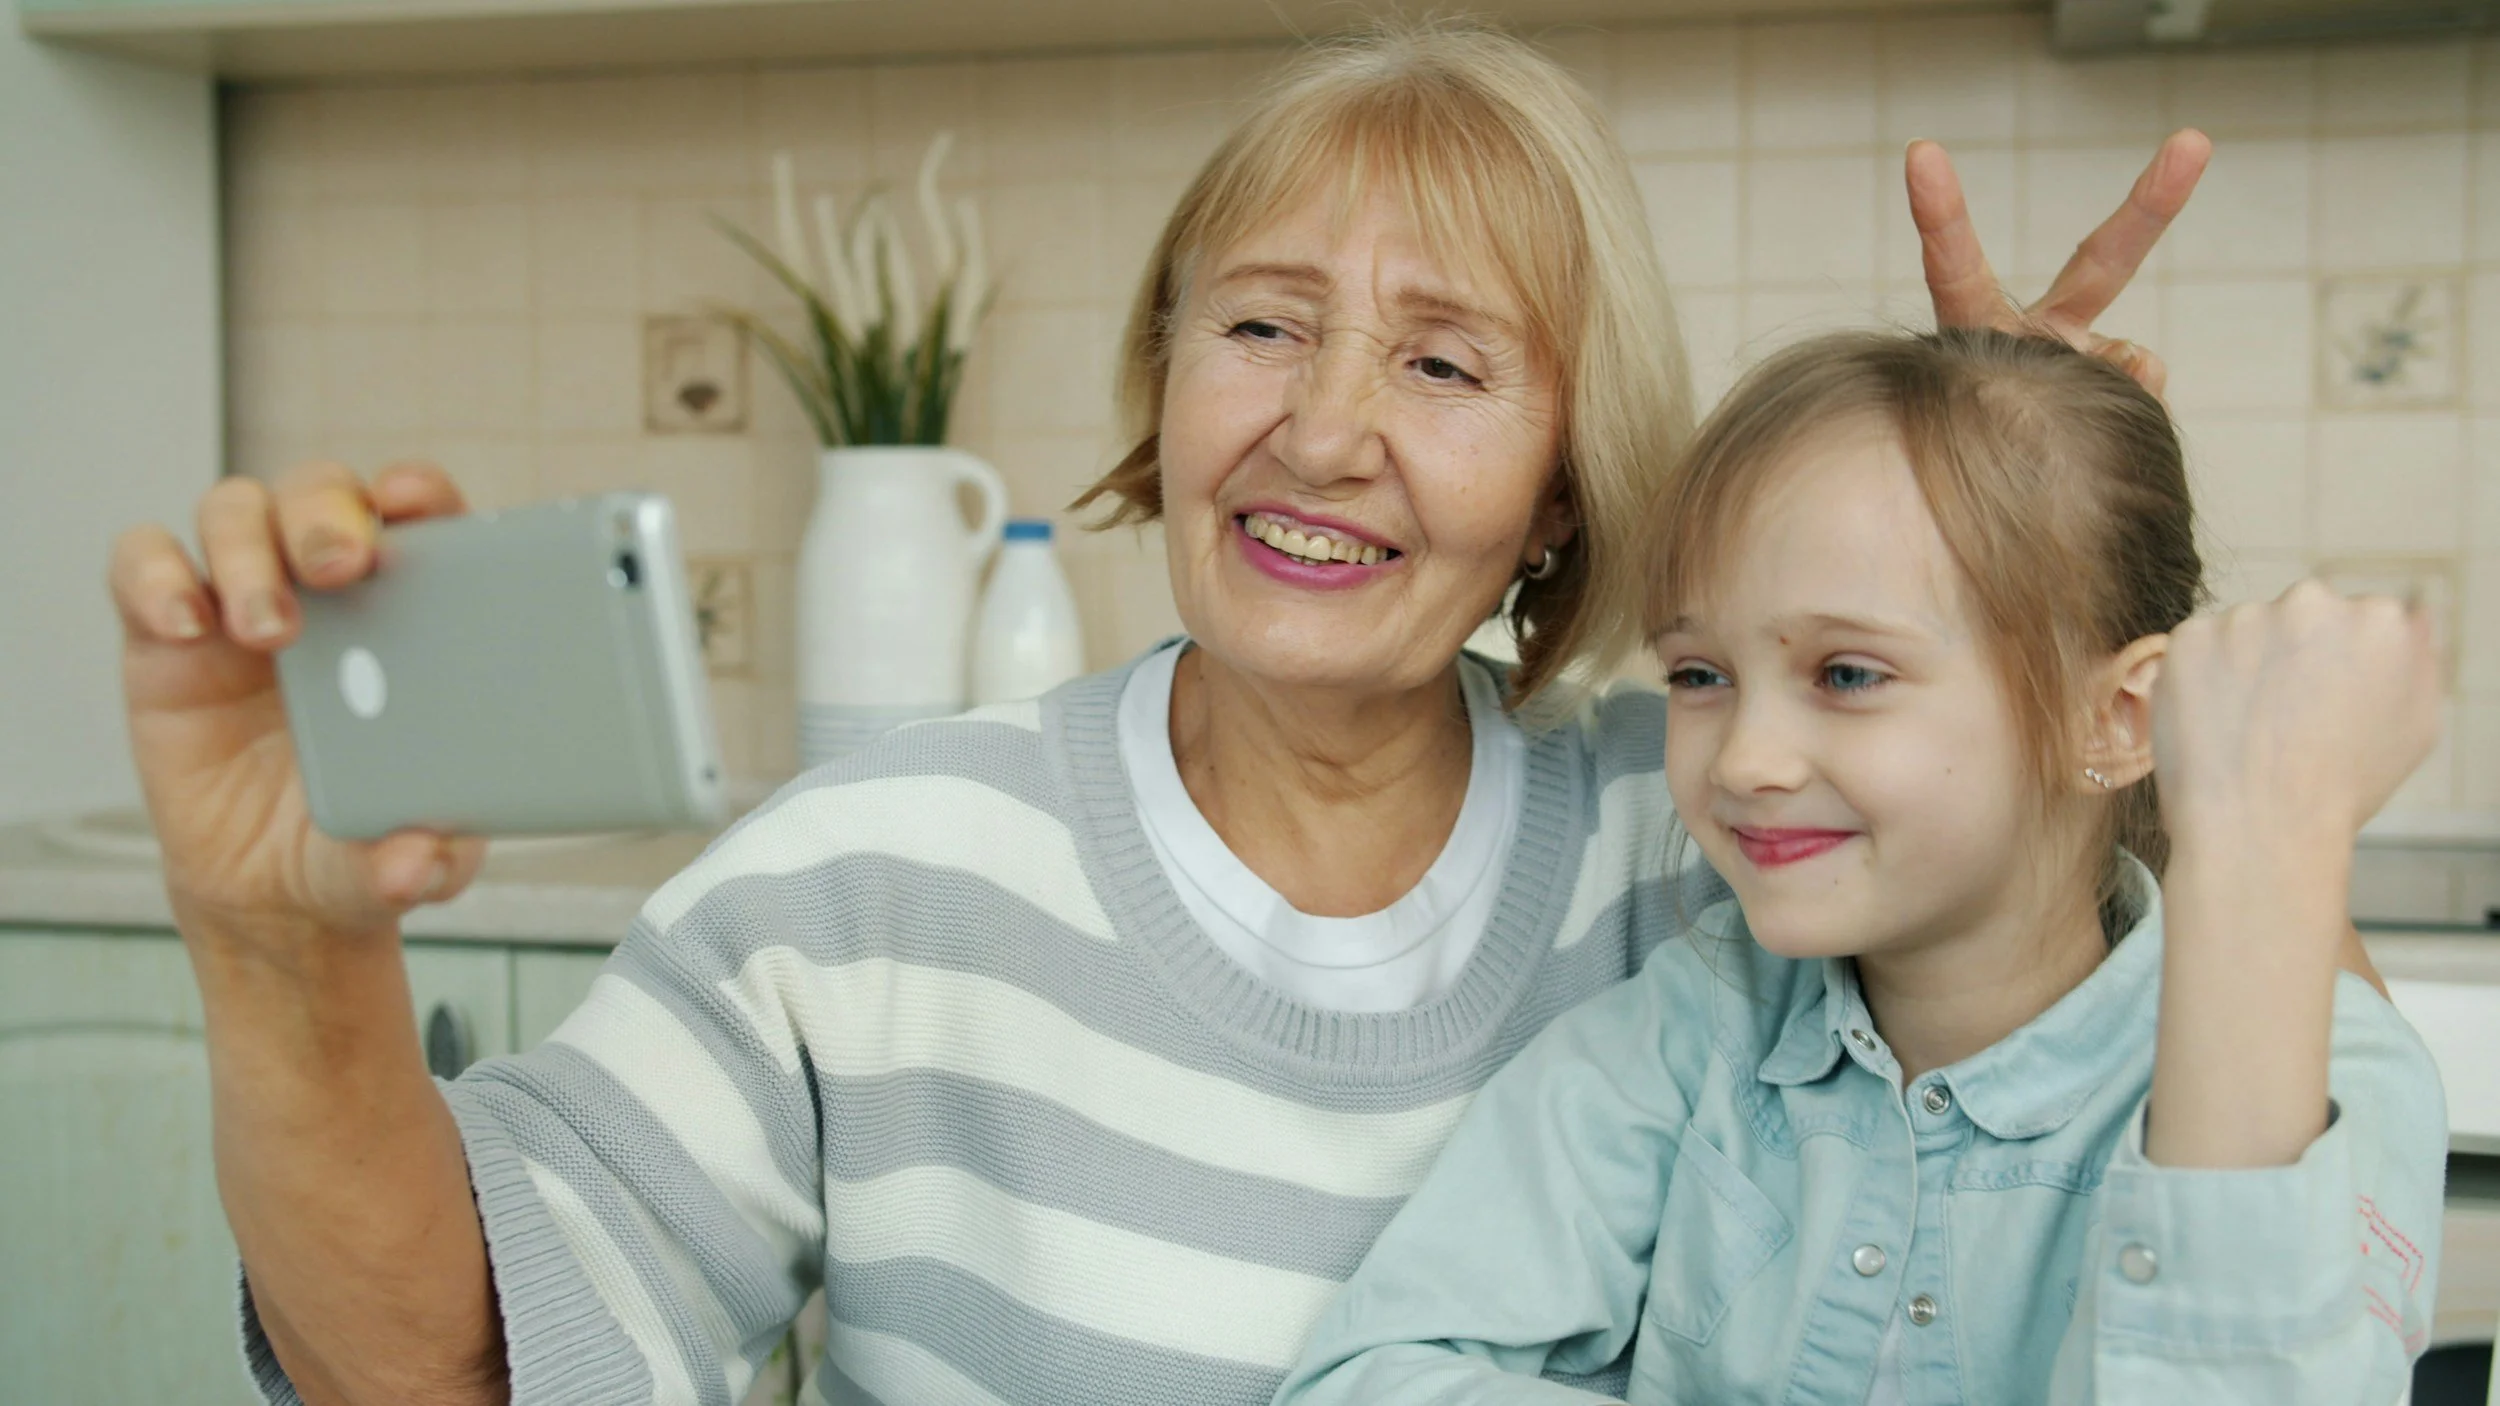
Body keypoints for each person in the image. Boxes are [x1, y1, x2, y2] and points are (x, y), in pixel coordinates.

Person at [107, 24, 2258, 1406]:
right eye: (1259, 325)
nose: (1319, 430)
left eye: (1437, 363)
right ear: (1159, 387)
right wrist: (282, 950)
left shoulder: (1709, 831)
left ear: (1560, 486)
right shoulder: (872, 872)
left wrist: (2023, 582)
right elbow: (465, 1371)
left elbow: (2203, 1088)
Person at [1273, 329, 2447, 1406]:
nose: (1746, 757)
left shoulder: (2336, 1070)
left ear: (2117, 718)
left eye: (1847, 674)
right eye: (1697, 673)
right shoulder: (1692, 1031)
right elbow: (1370, 1377)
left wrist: (2261, 839)